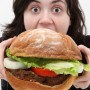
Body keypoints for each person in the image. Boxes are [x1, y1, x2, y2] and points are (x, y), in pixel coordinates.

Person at [0, 0, 90, 90]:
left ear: (71, 18)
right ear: (22, 15)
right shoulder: (6, 45)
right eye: (35, 9)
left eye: (57, 10)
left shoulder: (86, 46)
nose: (45, 20)